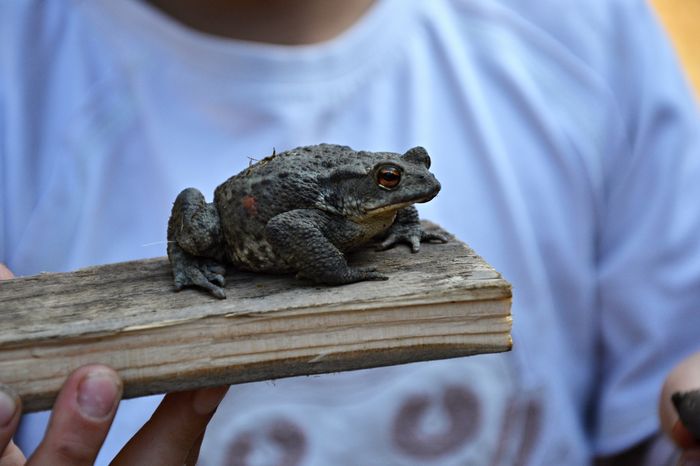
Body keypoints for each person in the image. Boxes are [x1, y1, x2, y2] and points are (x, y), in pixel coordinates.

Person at [1, 0, 699, 464]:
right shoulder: (23, 68)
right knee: (200, 222)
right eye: (393, 183)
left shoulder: (587, 30)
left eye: (410, 175)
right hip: (242, 219)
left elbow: (651, 413)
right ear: (368, 186)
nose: (409, 191)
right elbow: (293, 225)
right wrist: (338, 274)